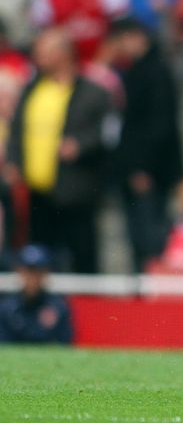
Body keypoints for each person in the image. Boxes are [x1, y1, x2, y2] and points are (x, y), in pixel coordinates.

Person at [6, 29, 112, 273]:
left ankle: (87, 306)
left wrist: (80, 146)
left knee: (82, 254)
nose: (37, 56)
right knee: (39, 256)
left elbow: (108, 131)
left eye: (44, 51)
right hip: (38, 190)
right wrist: (14, 161)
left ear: (64, 54)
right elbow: (17, 129)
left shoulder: (93, 92)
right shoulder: (32, 89)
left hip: (75, 190)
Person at [107, 16, 183, 272]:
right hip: (141, 169)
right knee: (139, 235)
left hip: (148, 173)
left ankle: (148, 287)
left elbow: (158, 126)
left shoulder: (154, 72)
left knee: (147, 236)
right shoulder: (145, 69)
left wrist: (142, 168)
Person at [0, 245, 73, 344]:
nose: (33, 277)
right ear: (19, 271)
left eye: (38, 271)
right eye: (29, 271)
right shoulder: (6, 309)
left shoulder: (58, 307)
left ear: (46, 272)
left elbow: (66, 344)